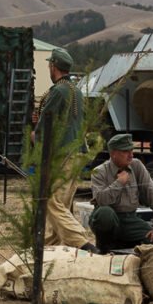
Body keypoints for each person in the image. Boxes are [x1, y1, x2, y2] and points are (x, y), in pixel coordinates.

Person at [32, 47, 92, 249]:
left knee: (51, 201)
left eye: (50, 65)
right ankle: (46, 248)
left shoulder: (58, 90)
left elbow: (46, 122)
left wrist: (36, 136)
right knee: (62, 205)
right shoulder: (76, 90)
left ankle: (83, 243)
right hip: (78, 152)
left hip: (63, 153)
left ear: (53, 66)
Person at [88, 133, 153, 251]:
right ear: (113, 153)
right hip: (108, 220)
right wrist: (119, 182)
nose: (130, 155)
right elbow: (102, 200)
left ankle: (124, 243)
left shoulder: (136, 165)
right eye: (125, 152)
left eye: (131, 151)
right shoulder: (99, 172)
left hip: (129, 220)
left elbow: (152, 193)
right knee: (105, 213)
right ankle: (105, 247)